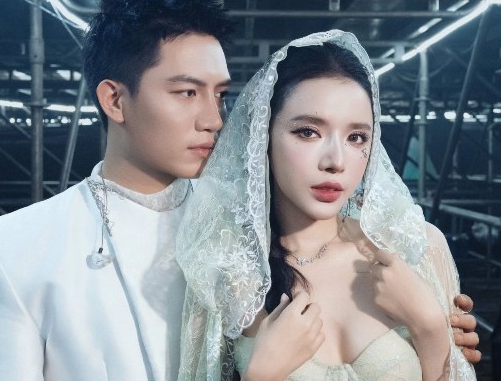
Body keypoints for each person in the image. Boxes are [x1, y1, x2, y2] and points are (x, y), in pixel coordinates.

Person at [0, 0, 478, 380]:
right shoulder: (15, 248)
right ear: (115, 100)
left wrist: (434, 332)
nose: (214, 120)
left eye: (220, 95)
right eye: (187, 93)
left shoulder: (240, 235)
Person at [176, 30, 477, 380]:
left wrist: (430, 328)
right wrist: (260, 374)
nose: (336, 161)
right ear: (262, 136)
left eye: (356, 137)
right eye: (308, 132)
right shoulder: (226, 270)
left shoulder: (416, 249)